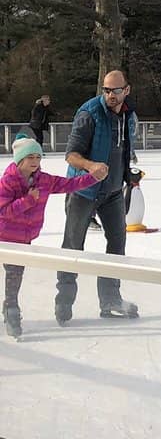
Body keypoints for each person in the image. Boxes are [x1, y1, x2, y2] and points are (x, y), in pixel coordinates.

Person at [55, 70, 139, 324]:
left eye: (115, 90)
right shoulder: (88, 114)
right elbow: (71, 155)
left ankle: (111, 299)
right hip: (84, 190)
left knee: (117, 245)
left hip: (113, 192)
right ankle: (64, 301)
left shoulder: (129, 115)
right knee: (72, 246)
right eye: (105, 90)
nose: (110, 95)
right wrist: (91, 166)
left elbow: (122, 150)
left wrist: (128, 175)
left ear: (127, 90)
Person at [0, 136, 100, 338]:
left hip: (23, 239)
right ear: (20, 159)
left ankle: (10, 309)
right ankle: (11, 309)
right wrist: (28, 201)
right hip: (4, 238)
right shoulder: (7, 182)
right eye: (30, 157)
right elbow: (2, 213)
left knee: (14, 274)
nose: (35, 161)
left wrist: (94, 178)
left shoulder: (43, 180)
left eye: (38, 156)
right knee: (13, 272)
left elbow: (68, 184)